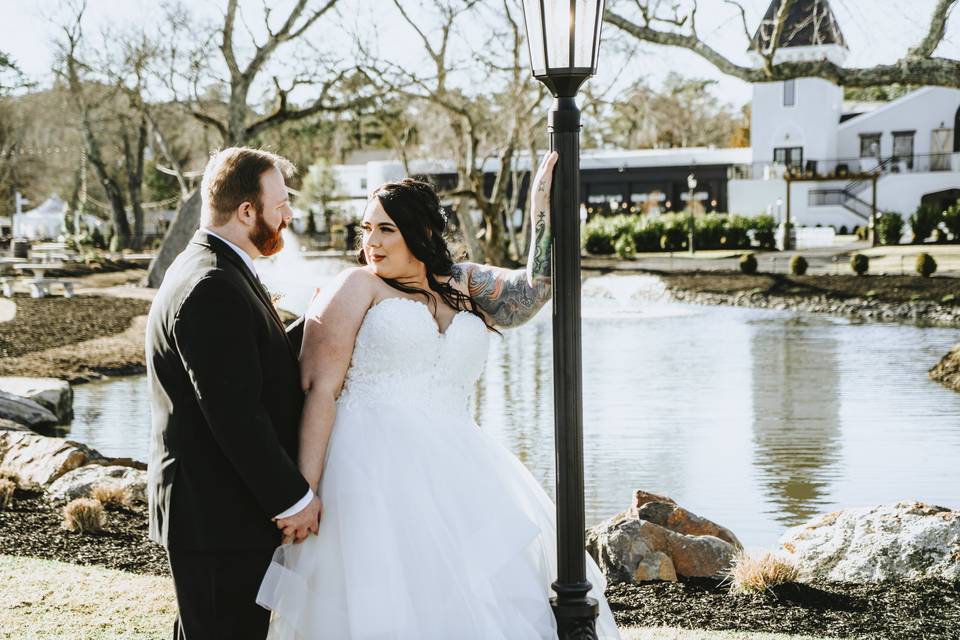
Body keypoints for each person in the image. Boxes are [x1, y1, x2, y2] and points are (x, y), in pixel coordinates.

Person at [257, 151, 621, 639]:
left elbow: (534, 290)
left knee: (473, 603)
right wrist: (304, 492)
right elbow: (317, 389)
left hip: (460, 472)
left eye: (386, 229)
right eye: (366, 229)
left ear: (422, 233)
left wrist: (541, 206)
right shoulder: (356, 286)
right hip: (369, 475)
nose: (371, 243)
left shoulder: (464, 283)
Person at [146, 147, 322, 640]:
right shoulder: (212, 284)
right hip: (218, 517)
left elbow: (243, 365)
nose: (289, 213)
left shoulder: (213, 266)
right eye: (281, 202)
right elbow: (235, 415)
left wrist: (326, 324)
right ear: (247, 211)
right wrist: (293, 499)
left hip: (217, 514)